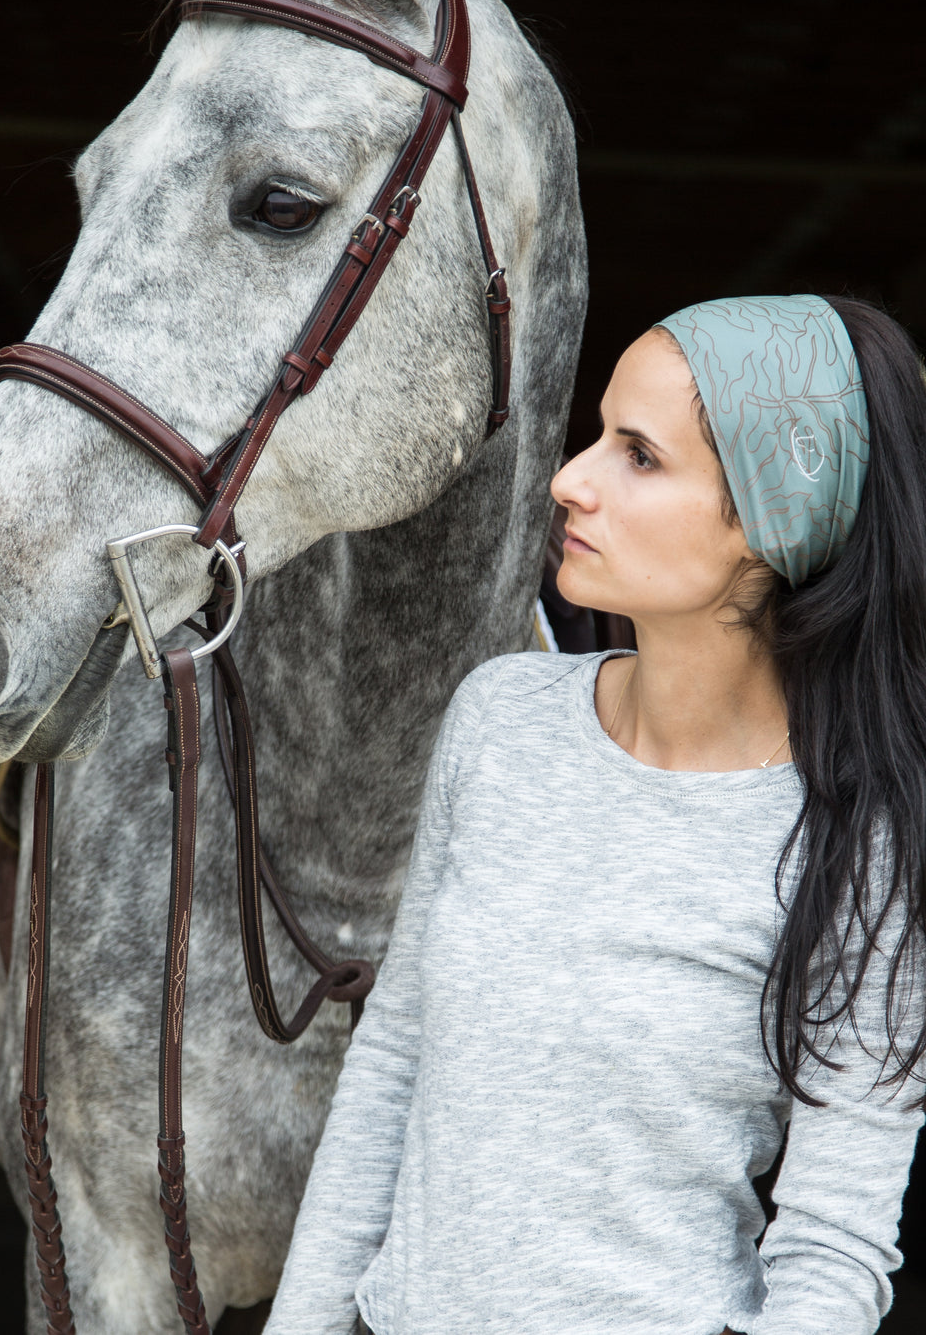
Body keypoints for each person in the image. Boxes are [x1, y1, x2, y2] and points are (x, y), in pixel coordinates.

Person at [263, 295, 926, 1335]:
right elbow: (393, 1062)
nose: (570, 479)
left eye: (639, 456)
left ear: (768, 522)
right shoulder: (501, 719)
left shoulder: (854, 840)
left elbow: (833, 1248)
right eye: (594, 435)